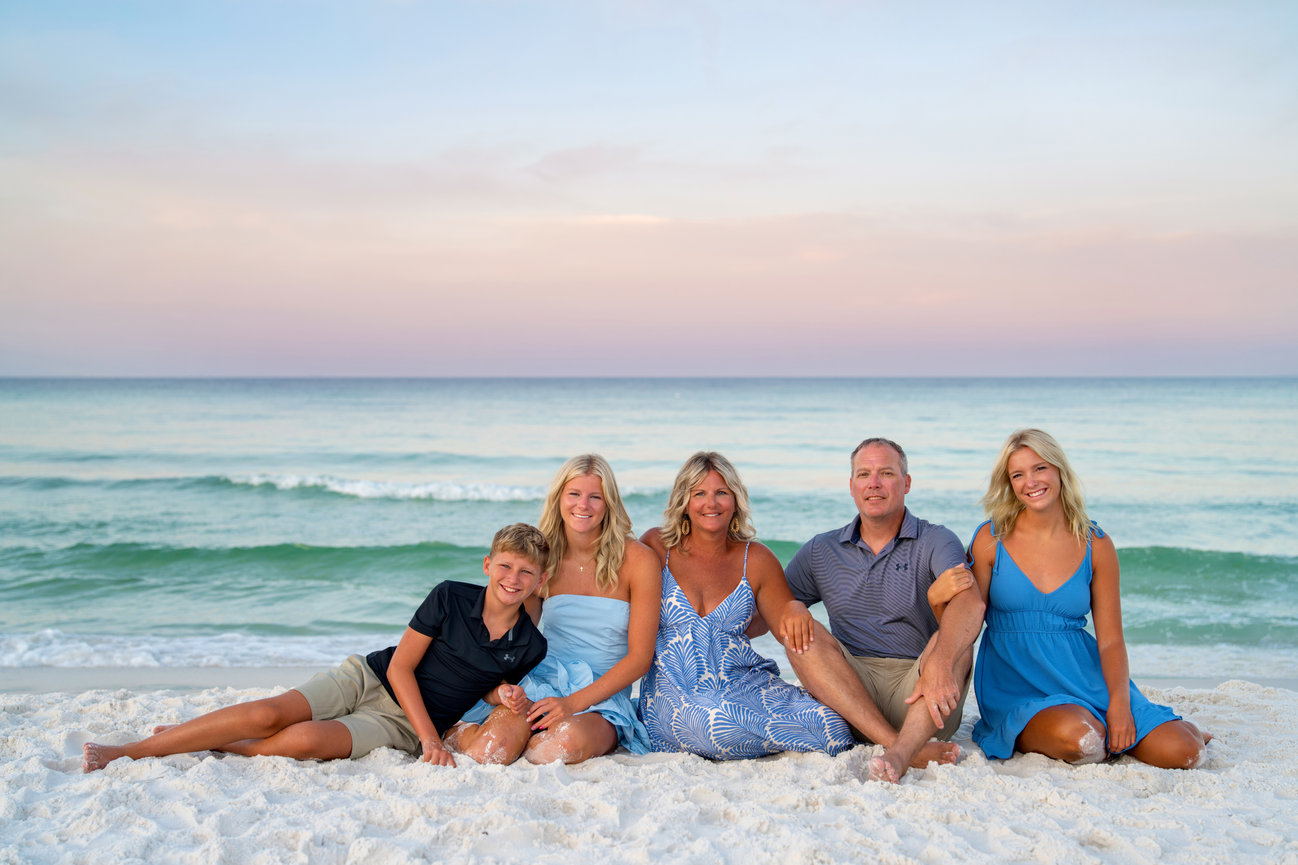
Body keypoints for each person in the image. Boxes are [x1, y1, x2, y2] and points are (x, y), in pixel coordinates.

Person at [82, 523, 550, 773]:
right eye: (505, 567)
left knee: (304, 742)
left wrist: (501, 695)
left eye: (525, 573)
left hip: (402, 725)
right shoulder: (450, 595)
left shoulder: (532, 645)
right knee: (270, 715)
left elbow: (485, 685)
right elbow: (404, 668)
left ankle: (217, 739)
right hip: (370, 678)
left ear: (540, 580)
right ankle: (132, 751)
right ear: (488, 564)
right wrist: (432, 740)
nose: (513, 580)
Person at [967, 429, 1209, 768]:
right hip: (1017, 684)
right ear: (1008, 483)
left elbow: (1110, 641)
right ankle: (1090, 725)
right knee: (1083, 740)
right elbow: (966, 625)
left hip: (1084, 674)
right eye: (1017, 474)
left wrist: (1120, 706)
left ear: (1059, 470)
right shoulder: (989, 539)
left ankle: (1175, 727)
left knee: (1186, 752)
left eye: (1040, 468)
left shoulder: (1096, 543)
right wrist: (938, 603)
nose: (1030, 481)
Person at [782, 437, 985, 783]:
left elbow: (971, 603)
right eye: (864, 474)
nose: (873, 483)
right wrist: (788, 606)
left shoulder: (936, 539)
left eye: (886, 473)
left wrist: (939, 660)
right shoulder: (822, 550)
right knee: (798, 629)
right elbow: (767, 608)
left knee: (954, 639)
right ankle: (900, 748)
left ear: (906, 483)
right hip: (851, 697)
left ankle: (904, 750)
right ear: (851, 486)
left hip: (922, 695)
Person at [636, 451, 854, 760]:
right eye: (699, 493)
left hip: (740, 683)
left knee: (831, 727)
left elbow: (788, 628)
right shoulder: (657, 547)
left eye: (721, 493)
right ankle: (761, 735)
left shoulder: (757, 559)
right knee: (711, 720)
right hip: (675, 693)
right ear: (683, 502)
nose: (711, 503)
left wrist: (797, 608)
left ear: (736, 500)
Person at [446, 455, 660, 764]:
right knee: (490, 751)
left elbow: (640, 659)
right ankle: (454, 730)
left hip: (602, 694)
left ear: (609, 502)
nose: (582, 505)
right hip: (543, 679)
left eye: (595, 496)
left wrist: (571, 704)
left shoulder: (639, 560)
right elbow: (520, 635)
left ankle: (530, 734)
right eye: (574, 494)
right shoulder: (544, 558)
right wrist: (501, 687)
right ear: (559, 498)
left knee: (557, 747)